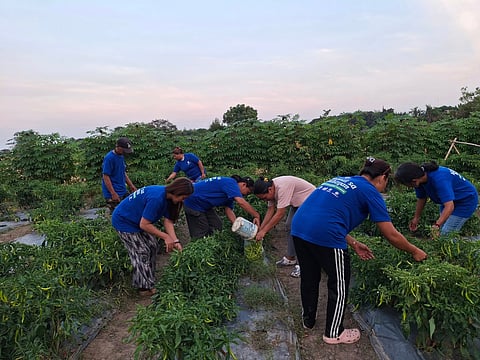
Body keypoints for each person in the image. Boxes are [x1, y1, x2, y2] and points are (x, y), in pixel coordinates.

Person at [291, 157, 427, 345]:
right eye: (387, 181)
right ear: (383, 177)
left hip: (299, 228)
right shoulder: (370, 192)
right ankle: (333, 333)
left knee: (309, 277)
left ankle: (308, 320)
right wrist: (414, 250)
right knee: (338, 284)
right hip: (327, 235)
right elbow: (390, 234)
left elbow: (326, 214)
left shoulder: (340, 179)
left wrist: (354, 243)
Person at [112, 178, 194, 296]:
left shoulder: (169, 199)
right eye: (184, 197)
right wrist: (165, 236)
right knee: (141, 251)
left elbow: (168, 222)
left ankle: (149, 279)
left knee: (153, 245)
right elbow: (144, 224)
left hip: (137, 221)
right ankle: (143, 288)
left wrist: (175, 241)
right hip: (124, 221)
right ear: (177, 192)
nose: (184, 200)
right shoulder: (157, 198)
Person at [394, 161, 478, 237]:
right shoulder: (419, 180)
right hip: (448, 201)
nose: (407, 187)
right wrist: (416, 218)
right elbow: (422, 198)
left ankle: (455, 252)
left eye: (406, 184)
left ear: (414, 181)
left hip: (465, 201)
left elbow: (449, 206)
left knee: (447, 233)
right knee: (441, 231)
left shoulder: (439, 179)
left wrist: (436, 225)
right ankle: (444, 251)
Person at [253, 176, 316, 278]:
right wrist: (260, 229)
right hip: (298, 203)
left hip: (311, 201)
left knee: (299, 230)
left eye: (264, 198)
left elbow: (280, 214)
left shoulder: (282, 187)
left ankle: (304, 266)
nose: (264, 200)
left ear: (269, 190)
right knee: (289, 225)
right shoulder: (270, 188)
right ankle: (291, 258)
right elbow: (270, 210)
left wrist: (264, 232)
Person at [183, 175, 261, 239]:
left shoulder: (231, 192)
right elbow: (241, 202)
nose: (245, 195)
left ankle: (211, 245)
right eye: (247, 192)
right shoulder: (231, 183)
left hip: (204, 205)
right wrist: (256, 215)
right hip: (193, 202)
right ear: (244, 185)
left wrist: (238, 226)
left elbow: (228, 210)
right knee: (201, 231)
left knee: (216, 225)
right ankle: (199, 250)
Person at [102, 137, 137, 214]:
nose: (125, 152)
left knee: (132, 208)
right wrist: (113, 193)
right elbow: (106, 176)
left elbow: (122, 172)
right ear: (118, 147)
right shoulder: (109, 158)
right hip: (113, 192)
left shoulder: (121, 156)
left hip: (122, 190)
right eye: (124, 150)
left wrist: (131, 186)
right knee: (117, 215)